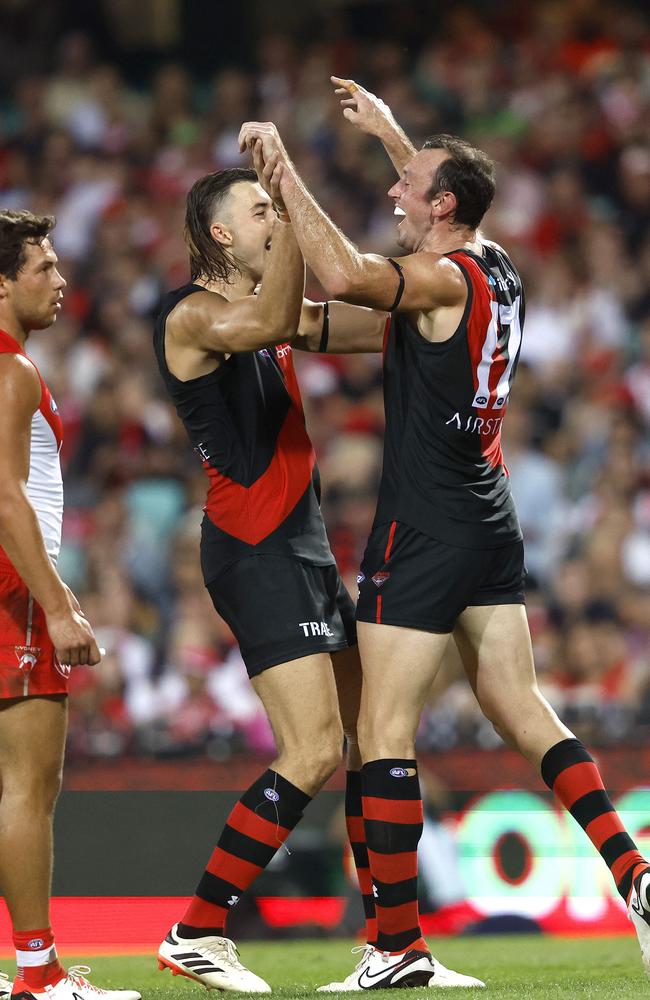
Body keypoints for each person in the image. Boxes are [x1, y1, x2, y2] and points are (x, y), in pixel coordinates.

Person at [239, 80, 650, 989]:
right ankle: (635, 871)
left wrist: (284, 171)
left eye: (408, 184)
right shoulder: (497, 268)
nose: (393, 191)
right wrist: (391, 133)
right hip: (487, 519)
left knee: (380, 733)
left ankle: (397, 949)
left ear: (445, 207)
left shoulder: (433, 279)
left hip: (422, 525)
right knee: (520, 705)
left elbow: (345, 276)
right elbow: (410, 241)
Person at [153, 147, 480, 992]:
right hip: (255, 549)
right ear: (222, 233)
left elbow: (383, 325)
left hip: (300, 548)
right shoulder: (192, 316)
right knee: (310, 752)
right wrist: (300, 200)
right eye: (259, 210)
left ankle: (393, 948)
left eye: (276, 207)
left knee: (375, 742)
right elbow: (261, 326)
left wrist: (455, 303)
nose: (274, 216)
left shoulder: (279, 313)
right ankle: (196, 930)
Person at [0, 210, 140, 1000]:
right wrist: (55, 605)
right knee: (29, 787)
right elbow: (7, 496)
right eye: (43, 267)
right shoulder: (11, 367)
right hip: (10, 593)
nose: (60, 281)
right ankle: (36, 972)